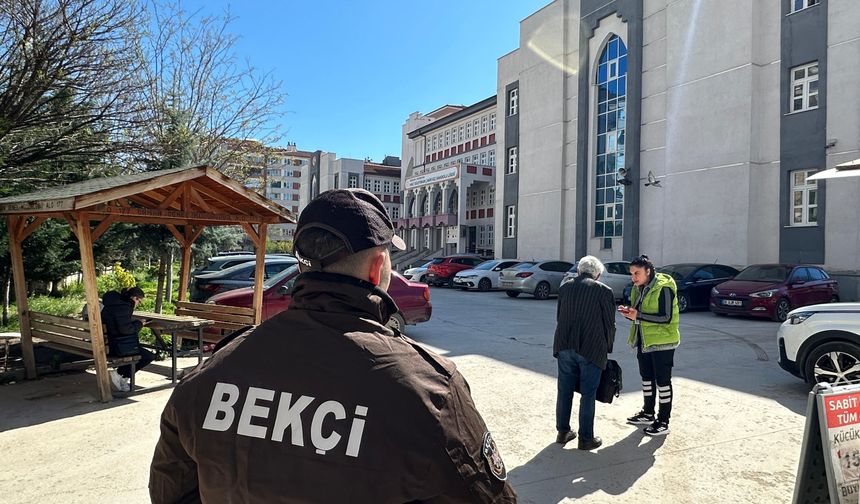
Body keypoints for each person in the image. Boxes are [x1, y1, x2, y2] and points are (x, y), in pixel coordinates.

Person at [149, 188, 517, 503]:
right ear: (378, 267)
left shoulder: (212, 374)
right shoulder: (428, 390)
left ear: (302, 265)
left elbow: (171, 491)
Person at [553, 255, 616, 451]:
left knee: (564, 390)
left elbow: (559, 316)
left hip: (565, 345)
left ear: (579, 271)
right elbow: (609, 324)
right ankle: (586, 438)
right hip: (591, 348)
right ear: (597, 275)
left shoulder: (565, 287)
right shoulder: (603, 291)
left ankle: (563, 432)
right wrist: (608, 347)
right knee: (588, 394)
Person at [618, 254, 680, 437]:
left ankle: (663, 421)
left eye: (636, 273)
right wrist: (630, 313)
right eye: (631, 274)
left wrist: (638, 315)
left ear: (648, 271)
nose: (633, 278)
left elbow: (666, 317)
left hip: (662, 343)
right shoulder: (638, 288)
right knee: (646, 378)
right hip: (643, 340)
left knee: (663, 382)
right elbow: (640, 313)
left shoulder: (664, 287)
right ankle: (647, 413)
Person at [101, 286, 154, 392]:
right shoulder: (124, 307)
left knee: (138, 351)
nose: (138, 304)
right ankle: (120, 374)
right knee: (148, 356)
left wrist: (135, 323)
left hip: (108, 343)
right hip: (117, 347)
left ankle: (121, 377)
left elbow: (119, 324)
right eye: (139, 301)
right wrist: (140, 323)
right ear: (134, 298)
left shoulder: (112, 303)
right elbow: (126, 330)